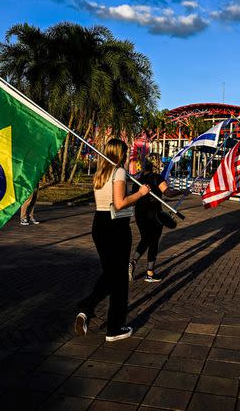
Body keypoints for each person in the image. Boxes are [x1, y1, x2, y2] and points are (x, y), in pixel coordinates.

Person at [75, 139, 150, 342]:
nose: (127, 156)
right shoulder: (118, 172)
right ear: (119, 153)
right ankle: (114, 328)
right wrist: (140, 194)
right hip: (115, 227)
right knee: (119, 281)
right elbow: (119, 203)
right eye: (125, 153)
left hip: (99, 224)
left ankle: (86, 308)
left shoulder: (101, 173)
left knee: (110, 274)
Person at [129, 158, 181, 283]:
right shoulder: (157, 177)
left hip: (140, 213)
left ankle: (134, 264)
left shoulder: (137, 179)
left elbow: (133, 197)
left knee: (146, 238)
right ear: (154, 166)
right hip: (154, 214)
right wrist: (182, 191)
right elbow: (167, 193)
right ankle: (149, 273)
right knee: (153, 242)